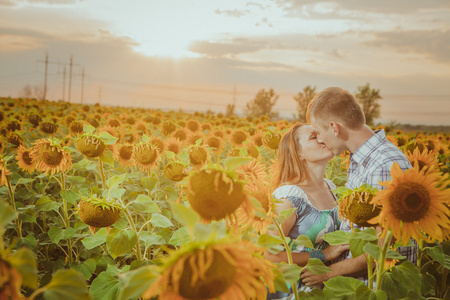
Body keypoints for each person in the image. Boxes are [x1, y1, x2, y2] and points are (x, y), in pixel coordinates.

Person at [300, 86, 416, 287]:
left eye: (319, 132)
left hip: (376, 286)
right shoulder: (362, 160)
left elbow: (384, 247)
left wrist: (329, 273)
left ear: (335, 128)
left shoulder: (384, 166)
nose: (320, 139)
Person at [265, 122, 349, 299]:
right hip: (292, 290)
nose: (322, 139)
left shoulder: (332, 188)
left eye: (320, 134)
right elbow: (270, 255)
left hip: (322, 287)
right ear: (298, 153)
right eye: (313, 137)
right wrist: (323, 255)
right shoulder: (288, 196)